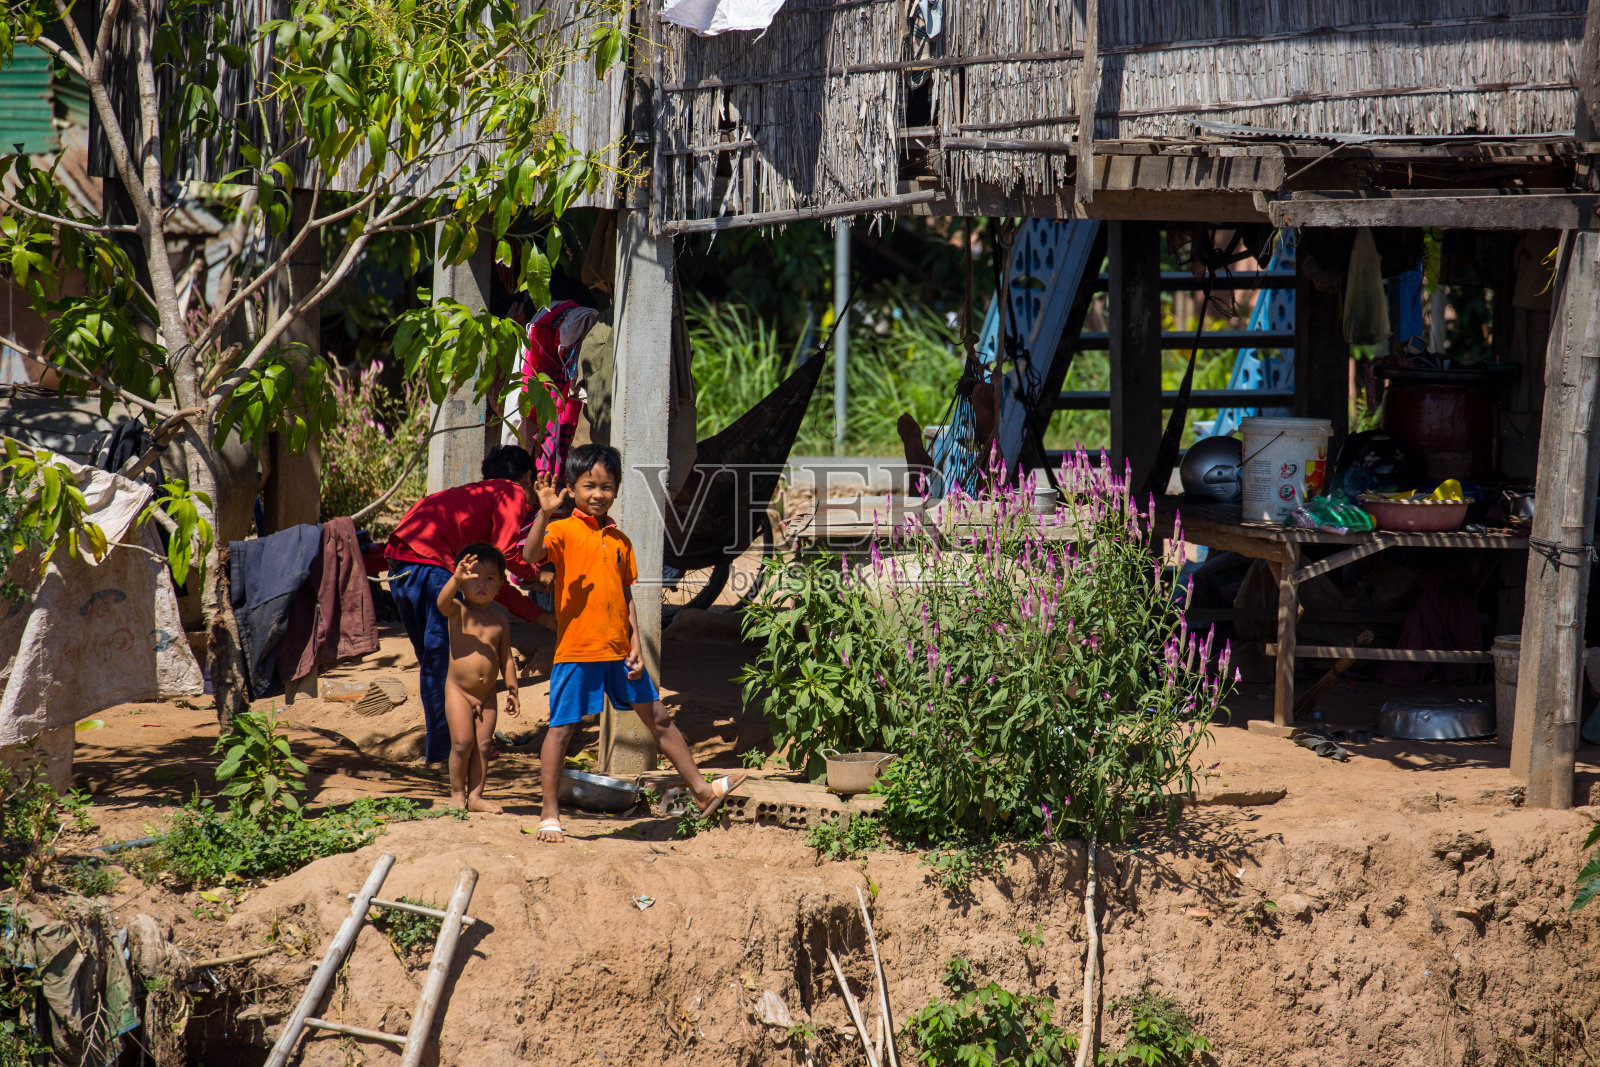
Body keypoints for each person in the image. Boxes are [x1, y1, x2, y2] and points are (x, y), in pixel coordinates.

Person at [523, 443, 745, 843]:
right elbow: (530, 553)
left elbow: (625, 596)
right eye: (589, 485)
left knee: (659, 719)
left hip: (619, 652)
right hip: (577, 652)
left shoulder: (621, 540)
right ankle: (549, 813)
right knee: (561, 730)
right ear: (570, 488)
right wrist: (544, 512)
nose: (598, 494)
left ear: (617, 490)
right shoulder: (561, 530)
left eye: (607, 486)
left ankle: (700, 790)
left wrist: (636, 644)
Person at [386, 445, 550, 765]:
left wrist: (543, 618)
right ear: (528, 477)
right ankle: (444, 757)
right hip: (430, 566)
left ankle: (455, 749)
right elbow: (505, 556)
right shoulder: (511, 491)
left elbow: (490, 585)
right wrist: (536, 575)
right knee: (444, 665)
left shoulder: (476, 496)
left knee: (437, 666)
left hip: (400, 567)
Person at [434, 545, 520, 813]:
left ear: (500, 585)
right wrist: (456, 579)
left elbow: (506, 657)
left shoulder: (500, 620)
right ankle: (457, 793)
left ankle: (476, 797)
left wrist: (513, 690)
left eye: (490, 578)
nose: (481, 584)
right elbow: (441, 603)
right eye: (474, 577)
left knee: (483, 746)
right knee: (462, 742)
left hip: (488, 694)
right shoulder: (458, 609)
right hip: (458, 691)